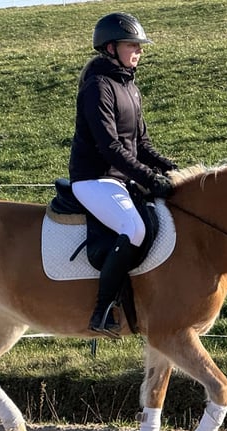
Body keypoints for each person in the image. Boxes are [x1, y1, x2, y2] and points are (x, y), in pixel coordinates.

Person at [68, 12, 178, 337]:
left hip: (120, 178)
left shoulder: (130, 88)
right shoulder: (97, 87)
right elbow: (110, 147)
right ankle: (101, 310)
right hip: (94, 179)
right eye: (134, 46)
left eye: (140, 47)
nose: (139, 52)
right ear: (111, 47)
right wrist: (149, 179)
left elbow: (141, 145)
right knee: (134, 228)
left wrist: (172, 169)